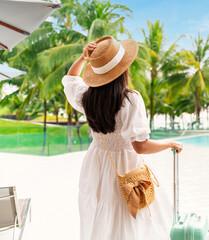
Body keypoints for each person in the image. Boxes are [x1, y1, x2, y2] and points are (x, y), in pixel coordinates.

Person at [62, 36, 183, 240]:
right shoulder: (130, 99)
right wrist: (168, 144)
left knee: (102, 212)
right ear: (123, 70)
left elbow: (71, 79)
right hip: (126, 166)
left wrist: (83, 58)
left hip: (96, 163)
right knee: (130, 216)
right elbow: (140, 147)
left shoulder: (87, 97)